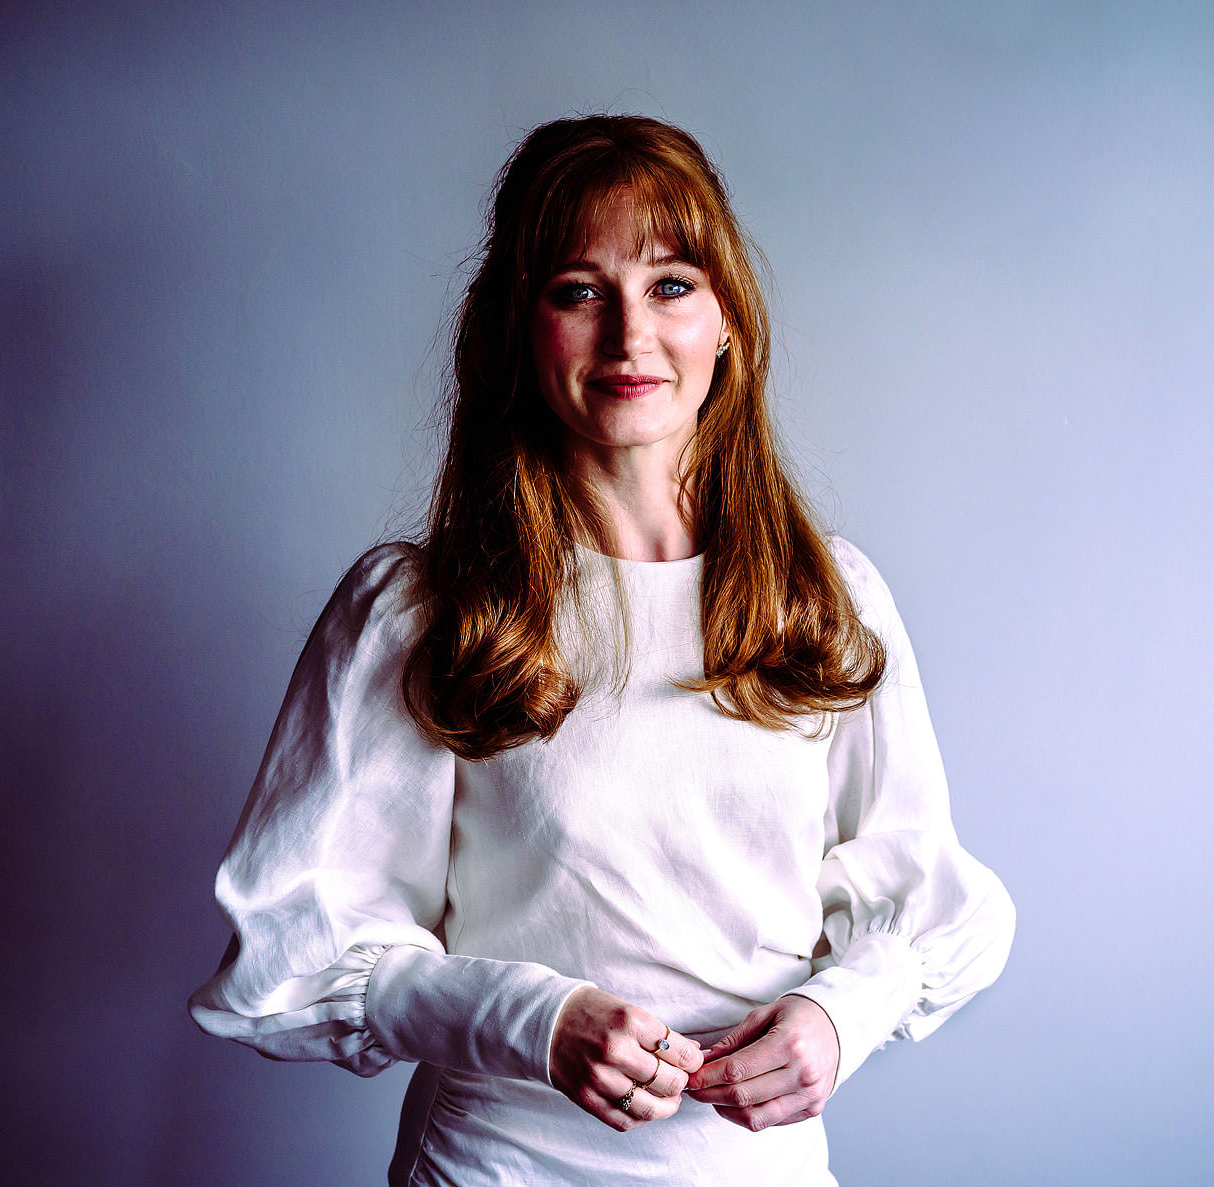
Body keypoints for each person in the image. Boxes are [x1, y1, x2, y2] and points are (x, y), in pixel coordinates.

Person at [188, 114, 1015, 1186]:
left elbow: (931, 904)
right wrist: (530, 1017)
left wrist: (837, 1014)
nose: (631, 334)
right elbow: (295, 951)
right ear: (516, 332)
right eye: (578, 290)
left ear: (727, 320)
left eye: (671, 283)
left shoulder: (822, 600)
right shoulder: (425, 609)